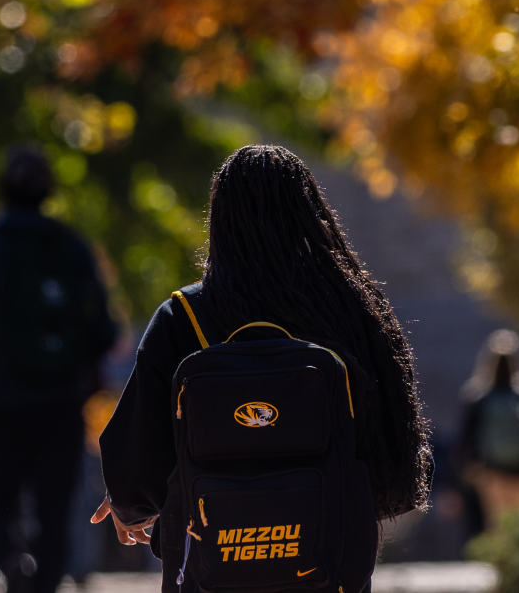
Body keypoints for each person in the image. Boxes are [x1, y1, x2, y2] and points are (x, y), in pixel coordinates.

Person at [92, 144, 431, 586]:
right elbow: (389, 441)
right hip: (325, 564)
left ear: (219, 221)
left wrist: (128, 503)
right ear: (310, 214)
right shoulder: (351, 310)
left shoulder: (184, 316)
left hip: (212, 565)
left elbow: (141, 451)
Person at [0, 145, 117, 593]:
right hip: (59, 401)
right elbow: (103, 327)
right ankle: (44, 581)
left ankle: (7, 561)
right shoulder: (70, 248)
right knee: (54, 508)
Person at [458, 328, 519, 531]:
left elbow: (467, 435)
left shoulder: (479, 396)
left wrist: (468, 469)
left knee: (497, 523)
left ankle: (502, 561)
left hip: (492, 470)